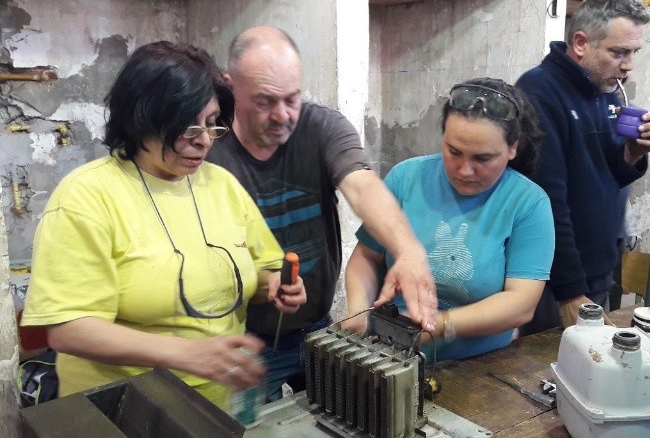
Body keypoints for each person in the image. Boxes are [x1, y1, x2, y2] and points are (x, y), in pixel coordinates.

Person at [21, 41, 306, 410]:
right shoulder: (88, 196)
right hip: (127, 407)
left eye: (211, 123)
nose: (204, 140)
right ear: (142, 120)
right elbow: (68, 329)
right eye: (187, 127)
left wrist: (275, 284)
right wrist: (184, 353)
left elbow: (265, 266)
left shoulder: (221, 185)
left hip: (218, 403)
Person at [206, 27, 436, 401]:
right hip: (241, 343)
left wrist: (408, 249)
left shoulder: (320, 127)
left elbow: (361, 184)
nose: (282, 115)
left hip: (317, 328)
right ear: (231, 87)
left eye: (292, 98)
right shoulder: (209, 152)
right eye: (264, 101)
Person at [343, 78, 555, 361]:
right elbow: (368, 257)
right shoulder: (406, 179)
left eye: (483, 158)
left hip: (477, 368)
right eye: (454, 152)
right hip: (392, 354)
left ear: (512, 148)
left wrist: (442, 324)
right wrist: (358, 309)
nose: (465, 170)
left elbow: (521, 303)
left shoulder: (528, 204)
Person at [515, 0, 650, 333]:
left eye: (633, 52)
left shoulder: (603, 90)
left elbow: (602, 174)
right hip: (555, 280)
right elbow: (545, 200)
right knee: (546, 376)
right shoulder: (539, 93)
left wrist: (632, 153)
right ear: (581, 43)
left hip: (596, 269)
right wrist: (569, 292)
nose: (628, 65)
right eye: (618, 52)